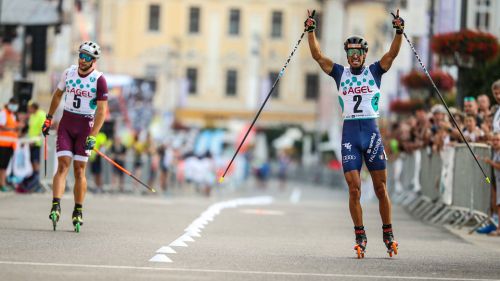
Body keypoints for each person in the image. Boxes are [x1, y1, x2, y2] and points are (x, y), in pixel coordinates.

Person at [305, 9, 404, 258]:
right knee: (354, 188)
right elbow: (317, 55)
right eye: (350, 53)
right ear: (347, 56)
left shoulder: (375, 71)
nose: (354, 57)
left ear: (364, 54)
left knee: (381, 188)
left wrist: (399, 31)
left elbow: (392, 54)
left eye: (358, 53)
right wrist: (311, 30)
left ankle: (388, 232)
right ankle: (360, 234)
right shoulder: (340, 73)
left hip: (371, 133)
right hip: (350, 134)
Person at [41, 41, 108, 232]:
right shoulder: (68, 72)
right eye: (81, 55)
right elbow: (57, 95)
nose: (82, 59)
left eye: (87, 57)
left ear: (93, 61)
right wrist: (48, 118)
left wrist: (93, 135)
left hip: (85, 127)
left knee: (79, 170)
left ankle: (78, 209)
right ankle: (56, 204)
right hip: (67, 124)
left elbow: (102, 111)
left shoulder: (99, 79)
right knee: (63, 165)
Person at [481, 132, 500, 236]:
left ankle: (499, 229)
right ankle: (496, 226)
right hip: (495, 181)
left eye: (498, 140)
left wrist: (490, 162)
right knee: (497, 204)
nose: (495, 142)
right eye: (494, 140)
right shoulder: (495, 151)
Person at [0, 98, 20, 192]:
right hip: (2, 143)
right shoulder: (3, 113)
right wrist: (13, 128)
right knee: (2, 165)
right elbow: (2, 125)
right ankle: (2, 184)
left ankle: (2, 183)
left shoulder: (13, 115)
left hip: (10, 144)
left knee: (4, 166)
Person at [27, 102, 46, 178]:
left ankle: (37, 177)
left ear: (34, 107)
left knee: (36, 161)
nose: (28, 109)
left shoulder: (41, 114)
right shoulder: (32, 115)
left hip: (38, 143)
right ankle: (34, 176)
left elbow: (43, 129)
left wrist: (35, 140)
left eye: (30, 107)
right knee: (32, 160)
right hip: (31, 142)